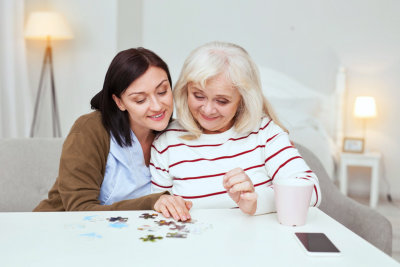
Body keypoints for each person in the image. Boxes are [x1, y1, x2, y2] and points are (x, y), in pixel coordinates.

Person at [150, 42, 321, 215]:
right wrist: (162, 202)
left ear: (242, 100)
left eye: (222, 101)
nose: (208, 109)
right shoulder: (166, 141)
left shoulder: (264, 132)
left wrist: (256, 202)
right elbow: (157, 207)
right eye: (198, 96)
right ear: (185, 90)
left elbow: (311, 190)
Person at [34, 48, 192, 221]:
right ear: (119, 102)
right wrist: (152, 203)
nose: (156, 106)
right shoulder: (90, 129)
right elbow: (79, 210)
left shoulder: (174, 133)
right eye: (140, 99)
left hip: (127, 233)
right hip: (58, 228)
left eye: (162, 91)